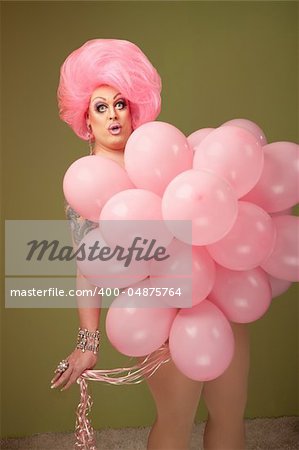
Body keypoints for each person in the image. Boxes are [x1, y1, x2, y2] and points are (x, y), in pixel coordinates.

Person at [51, 39, 250, 450]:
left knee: (231, 411)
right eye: (100, 107)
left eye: (120, 103)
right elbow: (88, 267)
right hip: (157, 317)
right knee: (176, 422)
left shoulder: (163, 153)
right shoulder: (89, 186)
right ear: (86, 120)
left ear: (134, 107)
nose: (112, 116)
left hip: (214, 297)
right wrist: (88, 342)